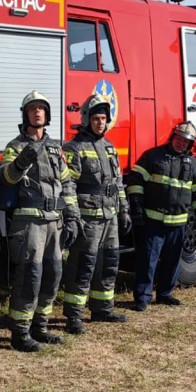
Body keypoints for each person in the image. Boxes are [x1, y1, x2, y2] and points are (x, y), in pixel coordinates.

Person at [0, 90, 82, 351]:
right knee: (29, 276)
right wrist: (21, 163)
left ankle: (40, 327)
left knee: (53, 274)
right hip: (29, 223)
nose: (37, 112)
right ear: (25, 114)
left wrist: (73, 215)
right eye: (32, 109)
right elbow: (6, 179)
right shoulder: (15, 146)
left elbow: (66, 182)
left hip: (54, 221)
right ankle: (20, 333)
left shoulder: (56, 147)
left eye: (41, 109)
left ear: (47, 114)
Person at [61, 94, 132, 334]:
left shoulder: (110, 147)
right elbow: (67, 184)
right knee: (83, 264)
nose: (100, 122)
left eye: (103, 118)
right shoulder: (73, 148)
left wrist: (124, 210)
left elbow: (118, 182)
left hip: (110, 216)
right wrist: (72, 215)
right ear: (86, 119)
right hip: (87, 217)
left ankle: (102, 308)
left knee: (109, 262)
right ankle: (74, 315)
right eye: (96, 118)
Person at [126, 121, 196, 310]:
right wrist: (137, 207)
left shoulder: (195, 166)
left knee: (172, 261)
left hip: (178, 223)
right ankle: (143, 297)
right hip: (153, 221)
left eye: (186, 141)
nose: (181, 143)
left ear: (190, 144)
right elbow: (135, 180)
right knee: (148, 260)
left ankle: (164, 293)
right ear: (173, 137)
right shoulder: (153, 156)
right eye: (179, 139)